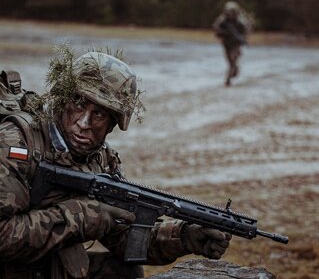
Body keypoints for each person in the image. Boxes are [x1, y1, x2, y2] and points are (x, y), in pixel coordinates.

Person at [0, 50, 231, 279]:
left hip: (46, 265)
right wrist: (83, 216)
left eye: (99, 114)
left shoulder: (101, 159)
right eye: (79, 104)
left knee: (124, 272)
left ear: (112, 124)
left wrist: (184, 237)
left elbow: (124, 236)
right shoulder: (17, 141)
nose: (83, 123)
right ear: (62, 100)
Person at [213, 1, 253, 86]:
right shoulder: (222, 20)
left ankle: (228, 79)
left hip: (236, 44)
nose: (231, 14)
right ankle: (232, 73)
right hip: (226, 44)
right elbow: (216, 30)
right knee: (230, 62)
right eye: (229, 12)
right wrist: (223, 33)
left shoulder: (241, 21)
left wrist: (243, 38)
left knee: (233, 58)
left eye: (233, 12)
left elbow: (247, 30)